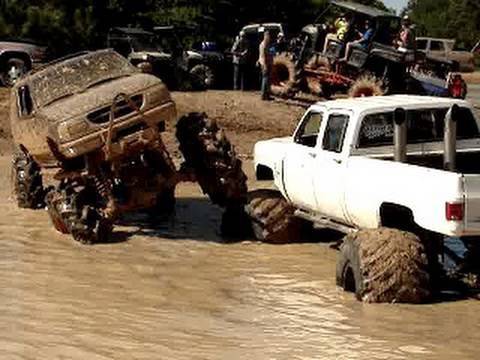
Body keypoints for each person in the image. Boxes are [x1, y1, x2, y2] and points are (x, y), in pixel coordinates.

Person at [257, 30, 274, 100]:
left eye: (269, 36)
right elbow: (262, 56)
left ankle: (267, 95)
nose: (269, 38)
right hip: (265, 64)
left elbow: (270, 54)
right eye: (268, 36)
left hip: (269, 63)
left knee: (268, 80)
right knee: (265, 80)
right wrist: (265, 66)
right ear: (265, 36)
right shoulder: (263, 45)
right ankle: (263, 95)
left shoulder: (268, 44)